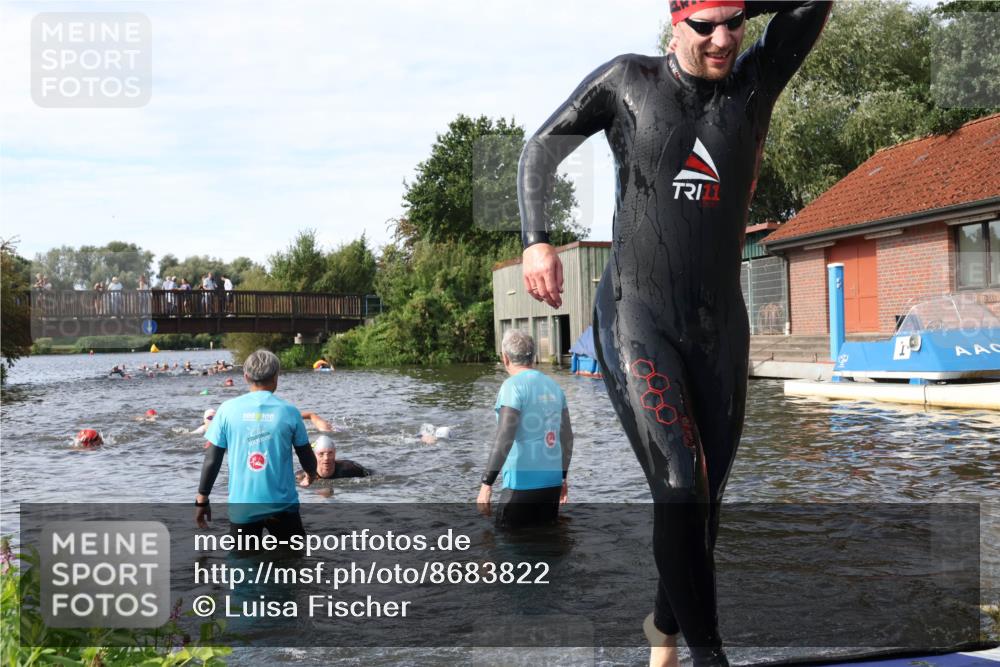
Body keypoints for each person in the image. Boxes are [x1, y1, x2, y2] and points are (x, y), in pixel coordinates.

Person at [517, 2, 831, 665]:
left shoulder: (753, 84)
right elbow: (539, 149)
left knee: (702, 503)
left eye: (735, 23)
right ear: (674, 25)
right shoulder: (628, 83)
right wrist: (535, 241)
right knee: (682, 482)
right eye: (705, 25)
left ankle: (663, 628)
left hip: (719, 328)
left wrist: (742, 2)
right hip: (637, 316)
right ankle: (709, 657)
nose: (723, 40)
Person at [194, 349, 318, 539]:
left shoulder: (226, 410)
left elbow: (212, 459)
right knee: (293, 562)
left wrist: (202, 500)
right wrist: (310, 474)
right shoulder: (290, 412)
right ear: (276, 377)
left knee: (243, 564)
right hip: (282, 505)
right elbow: (306, 455)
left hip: (243, 507)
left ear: (245, 377)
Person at [477, 330, 573, 529]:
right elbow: (567, 438)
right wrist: (563, 477)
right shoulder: (555, 387)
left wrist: (487, 484)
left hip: (520, 487)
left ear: (505, 358)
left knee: (506, 551)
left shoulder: (512, 387)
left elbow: (505, 435)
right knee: (545, 546)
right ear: (534, 357)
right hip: (552, 485)